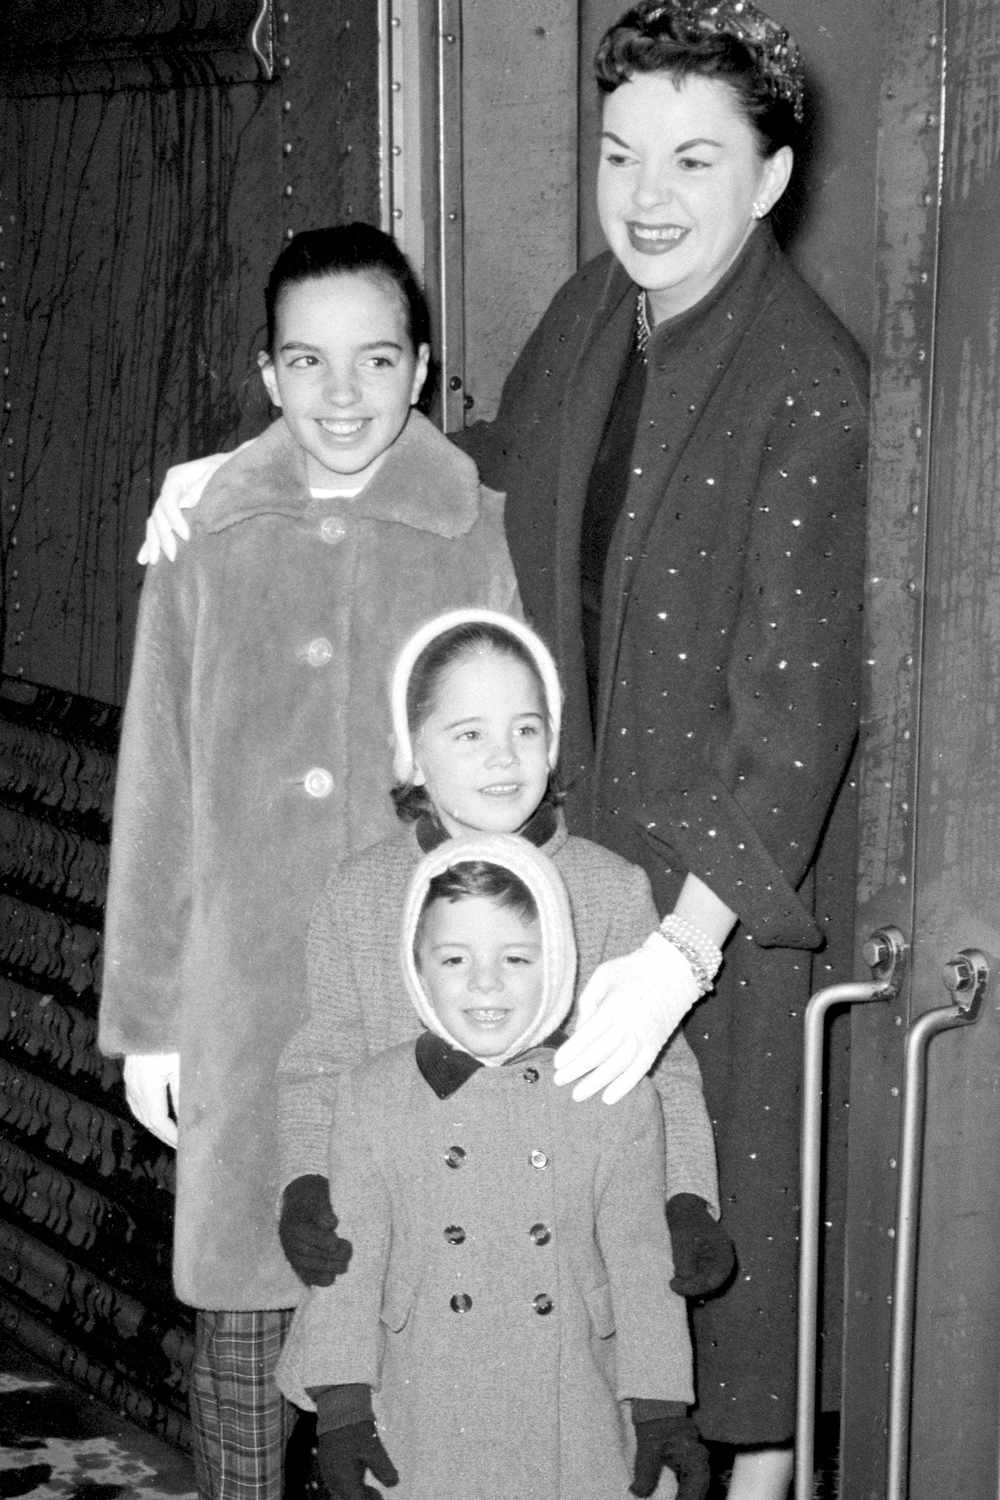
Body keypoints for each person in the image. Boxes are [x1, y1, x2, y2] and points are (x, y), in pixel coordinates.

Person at [137, 4, 869, 1491]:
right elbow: (482, 465)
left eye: (694, 159)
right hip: (555, 880)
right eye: (619, 154)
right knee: (551, 1334)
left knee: (721, 1342)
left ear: (773, 175)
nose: (648, 195)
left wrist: (679, 953)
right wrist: (269, 463)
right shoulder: (604, 306)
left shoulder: (814, 386)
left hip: (703, 921)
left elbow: (799, 720)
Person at [98, 222, 523, 1500]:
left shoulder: (472, 536)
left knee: (413, 1321)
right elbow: (158, 786)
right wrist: (154, 1020)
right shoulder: (205, 543)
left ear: (425, 367)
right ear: (267, 374)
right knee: (243, 1323)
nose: (344, 396)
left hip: (417, 996)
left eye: (376, 360)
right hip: (244, 1011)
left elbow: (509, 775)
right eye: (308, 362)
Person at [276, 609, 734, 1301]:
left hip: (560, 1266)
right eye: (469, 734)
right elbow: (322, 1062)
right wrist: (306, 1181)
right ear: (413, 755)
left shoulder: (609, 891)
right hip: (410, 1265)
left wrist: (685, 1202)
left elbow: (661, 1073)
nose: (504, 756)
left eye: (526, 729)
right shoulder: (358, 893)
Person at [275, 834, 712, 1500]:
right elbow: (348, 1269)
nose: (486, 984)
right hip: (422, 1398)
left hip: (573, 1398)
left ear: (559, 967)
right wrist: (341, 1410)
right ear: (417, 969)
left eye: (516, 958)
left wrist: (660, 1410)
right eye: (454, 958)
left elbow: (642, 1263)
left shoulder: (613, 1093)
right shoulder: (372, 1096)